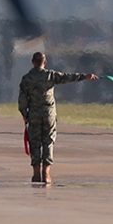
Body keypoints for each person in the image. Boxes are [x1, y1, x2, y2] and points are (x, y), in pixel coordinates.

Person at [16, 51, 97, 185]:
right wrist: (85, 76)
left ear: (32, 62)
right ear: (45, 62)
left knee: (35, 142)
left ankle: (36, 173)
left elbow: (22, 100)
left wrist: (24, 114)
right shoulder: (50, 75)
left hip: (34, 115)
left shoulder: (26, 79)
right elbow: (68, 77)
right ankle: (46, 173)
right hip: (49, 114)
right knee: (48, 142)